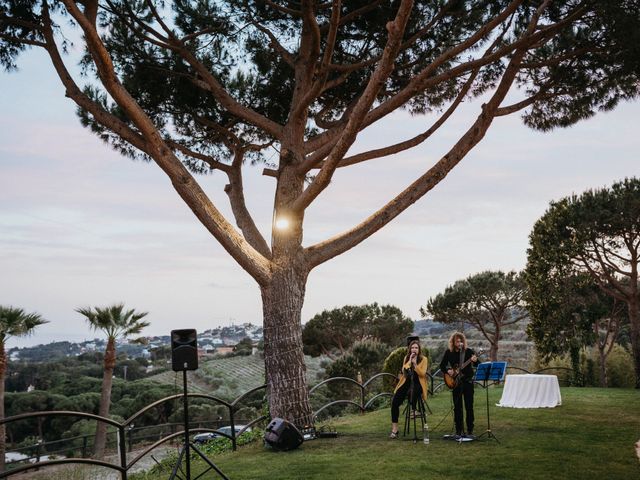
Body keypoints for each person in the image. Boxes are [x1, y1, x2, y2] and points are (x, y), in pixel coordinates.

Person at [439, 332, 478, 439]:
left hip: (468, 382)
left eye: (461, 341)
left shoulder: (469, 351)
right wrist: (448, 371)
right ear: (453, 342)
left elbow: (478, 363)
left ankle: (470, 430)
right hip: (455, 383)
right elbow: (442, 365)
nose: (459, 343)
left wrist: (475, 361)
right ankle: (459, 430)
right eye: (457, 341)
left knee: (469, 406)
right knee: (457, 407)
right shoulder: (449, 352)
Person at [390, 338, 428, 439]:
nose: (414, 349)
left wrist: (415, 364)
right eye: (412, 348)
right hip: (406, 382)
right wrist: (410, 361)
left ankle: (415, 410)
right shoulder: (407, 358)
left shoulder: (424, 359)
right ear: (410, 349)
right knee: (394, 402)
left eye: (416, 348)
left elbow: (422, 374)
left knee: (413, 391)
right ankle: (395, 429)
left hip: (418, 383)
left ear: (419, 349)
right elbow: (404, 371)